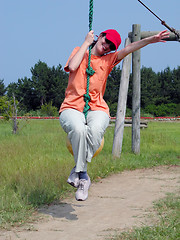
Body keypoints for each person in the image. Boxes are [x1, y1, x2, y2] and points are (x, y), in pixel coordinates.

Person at [59, 29, 169, 201]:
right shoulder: (79, 50)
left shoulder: (108, 60)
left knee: (95, 130)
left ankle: (78, 172)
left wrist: (150, 40)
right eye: (105, 41)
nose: (106, 47)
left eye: (110, 47)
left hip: (97, 107)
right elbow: (72, 66)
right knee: (78, 129)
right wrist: (87, 43)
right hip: (72, 106)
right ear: (100, 36)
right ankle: (84, 175)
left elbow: (129, 48)